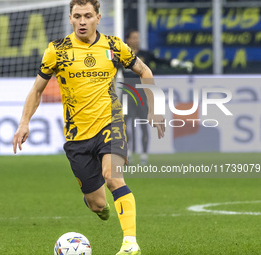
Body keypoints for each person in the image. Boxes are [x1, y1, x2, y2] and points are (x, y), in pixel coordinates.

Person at [12, 1, 165, 254]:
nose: (82, 21)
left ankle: (130, 244)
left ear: (98, 18)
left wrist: (154, 107)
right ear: (70, 19)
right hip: (77, 136)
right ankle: (99, 206)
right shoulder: (56, 51)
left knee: (113, 177)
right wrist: (24, 122)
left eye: (88, 16)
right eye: (77, 16)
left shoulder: (114, 46)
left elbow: (144, 71)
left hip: (110, 123)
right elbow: (37, 90)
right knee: (97, 204)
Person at [122, 29, 193, 164]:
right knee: (125, 125)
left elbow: (161, 61)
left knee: (144, 125)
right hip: (127, 95)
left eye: (138, 38)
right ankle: (128, 153)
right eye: (134, 37)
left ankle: (143, 156)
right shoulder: (122, 55)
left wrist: (179, 64)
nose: (137, 40)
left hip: (142, 96)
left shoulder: (145, 55)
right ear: (128, 40)